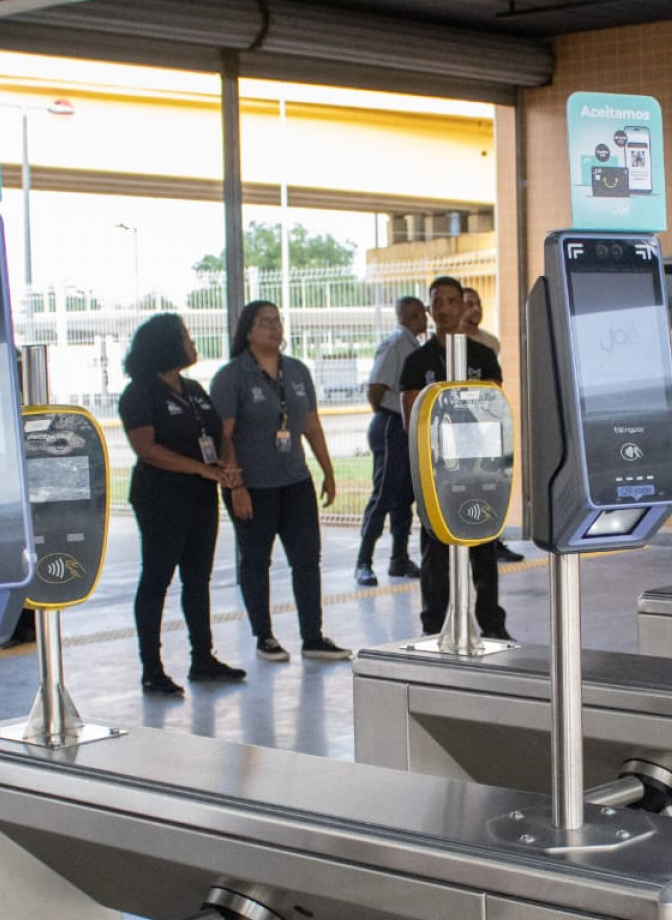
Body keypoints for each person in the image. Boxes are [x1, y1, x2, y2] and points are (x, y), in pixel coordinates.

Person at [212, 300, 351, 663]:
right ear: (248, 331)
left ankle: (313, 637)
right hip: (253, 486)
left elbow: (311, 425)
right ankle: (264, 637)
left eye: (278, 321)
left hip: (295, 480)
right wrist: (236, 487)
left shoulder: (297, 371)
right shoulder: (232, 377)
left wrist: (328, 471)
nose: (275, 328)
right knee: (256, 561)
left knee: (307, 559)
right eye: (265, 322)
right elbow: (223, 438)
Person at [118, 312, 246, 696]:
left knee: (198, 578)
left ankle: (202, 657)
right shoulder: (139, 393)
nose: (192, 342)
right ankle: (152, 668)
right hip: (160, 499)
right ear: (165, 345)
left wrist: (226, 464)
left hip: (200, 498)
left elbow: (219, 434)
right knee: (157, 579)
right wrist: (202, 470)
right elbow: (147, 449)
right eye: (185, 336)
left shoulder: (192, 388)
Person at [399, 275, 511, 640]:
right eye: (438, 302)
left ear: (464, 306)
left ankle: (492, 624)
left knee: (483, 547)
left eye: (452, 301)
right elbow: (413, 418)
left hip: (479, 468)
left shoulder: (482, 356)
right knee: (435, 550)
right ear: (429, 309)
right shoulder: (417, 361)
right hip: (437, 472)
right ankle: (434, 626)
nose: (445, 308)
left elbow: (493, 407)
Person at [354, 295, 425, 586]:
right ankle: (364, 561)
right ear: (410, 315)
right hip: (390, 424)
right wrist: (387, 415)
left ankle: (399, 559)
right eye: (421, 314)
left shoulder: (412, 344)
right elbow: (376, 387)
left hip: (405, 426)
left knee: (404, 494)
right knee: (384, 493)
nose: (426, 319)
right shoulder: (396, 344)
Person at [462, 285, 524, 563]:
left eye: (478, 303)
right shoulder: (449, 343)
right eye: (469, 304)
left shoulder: (490, 343)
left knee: (489, 482)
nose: (476, 309)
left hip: (485, 425)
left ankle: (491, 539)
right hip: (460, 429)